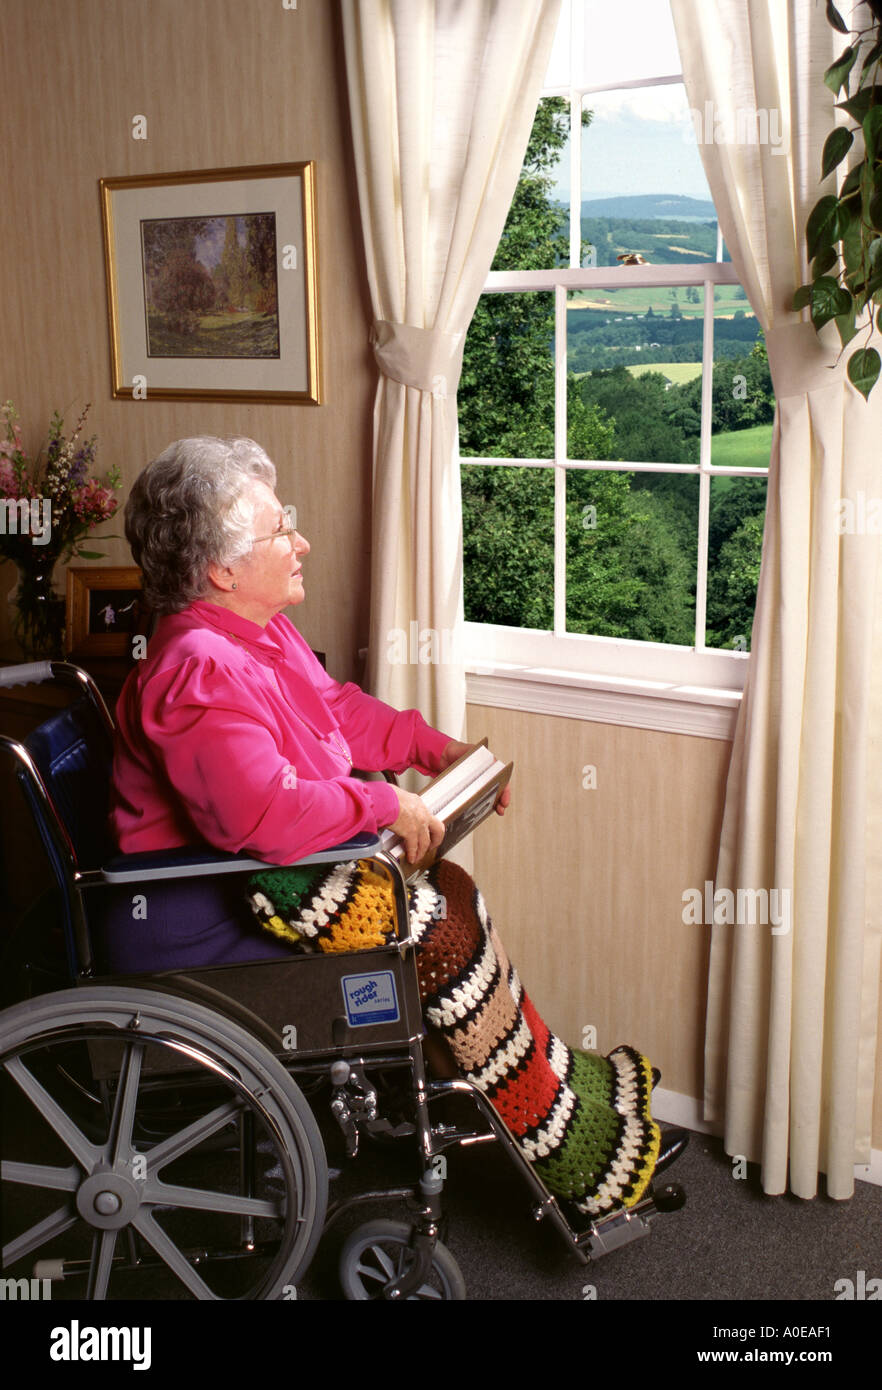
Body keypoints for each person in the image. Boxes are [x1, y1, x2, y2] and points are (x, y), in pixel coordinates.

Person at [107, 435, 686, 1217]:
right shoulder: (198, 671)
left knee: (451, 894)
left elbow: (336, 715)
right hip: (203, 915)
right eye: (282, 531)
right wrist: (388, 804)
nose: (300, 542)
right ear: (222, 570)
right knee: (437, 931)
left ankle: (555, 1094)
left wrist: (432, 747)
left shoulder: (258, 633)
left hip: (258, 884)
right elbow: (263, 816)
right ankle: (563, 1143)